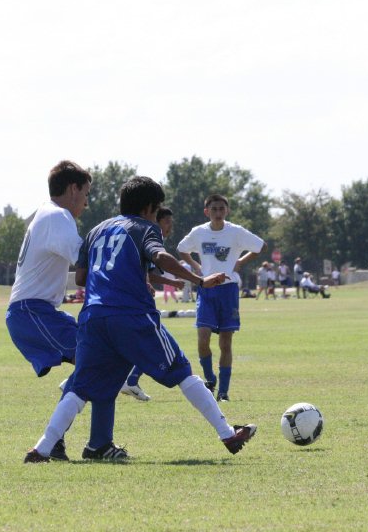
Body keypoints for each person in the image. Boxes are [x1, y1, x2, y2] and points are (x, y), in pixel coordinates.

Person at [24, 177, 256, 463]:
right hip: (132, 314)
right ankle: (227, 433)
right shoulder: (145, 228)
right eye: (156, 210)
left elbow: (82, 277)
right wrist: (199, 280)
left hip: (93, 317)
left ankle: (42, 449)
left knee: (81, 386)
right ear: (149, 208)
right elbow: (160, 256)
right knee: (182, 371)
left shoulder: (97, 230)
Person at [6, 160, 92, 460]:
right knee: (95, 359)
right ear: (73, 189)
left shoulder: (47, 213)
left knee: (94, 359)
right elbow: (83, 258)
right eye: (86, 193)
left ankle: (70, 431)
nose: (86, 202)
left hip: (34, 312)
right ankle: (55, 442)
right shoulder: (58, 216)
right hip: (32, 312)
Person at [178, 195, 266, 402]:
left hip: (228, 291)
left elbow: (261, 246)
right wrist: (197, 266)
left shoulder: (235, 231)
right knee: (203, 339)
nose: (218, 213)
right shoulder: (199, 232)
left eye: (221, 209)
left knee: (225, 343)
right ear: (206, 211)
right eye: (214, 209)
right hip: (207, 290)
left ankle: (224, 392)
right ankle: (210, 378)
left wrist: (240, 262)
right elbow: (182, 249)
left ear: (227, 211)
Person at [120, 206, 185, 401]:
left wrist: (149, 282)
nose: (170, 227)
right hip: (135, 303)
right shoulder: (148, 236)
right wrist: (174, 281)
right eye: (167, 222)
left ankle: (73, 382)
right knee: (152, 344)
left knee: (131, 346)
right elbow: (144, 273)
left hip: (132, 302)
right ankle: (131, 380)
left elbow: (147, 274)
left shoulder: (147, 237)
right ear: (156, 221)